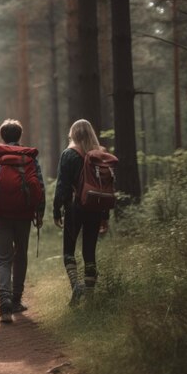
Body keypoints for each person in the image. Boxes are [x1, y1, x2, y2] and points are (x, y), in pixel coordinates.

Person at [0, 119, 45, 323]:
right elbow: (39, 188)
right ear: (20, 136)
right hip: (24, 215)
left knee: (3, 259)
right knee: (20, 256)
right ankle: (16, 300)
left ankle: (4, 301)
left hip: (2, 216)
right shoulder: (29, 157)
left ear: (2, 137)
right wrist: (39, 213)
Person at [53, 119, 109, 306]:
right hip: (94, 208)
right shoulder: (100, 155)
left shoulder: (68, 154)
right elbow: (105, 188)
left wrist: (56, 210)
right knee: (89, 252)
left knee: (69, 250)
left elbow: (62, 186)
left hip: (74, 208)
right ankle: (90, 299)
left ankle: (76, 287)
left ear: (73, 134)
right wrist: (104, 216)